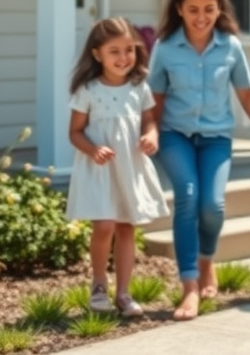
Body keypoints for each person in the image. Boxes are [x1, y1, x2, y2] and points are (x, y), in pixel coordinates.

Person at [148, 0, 250, 321]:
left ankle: (207, 259)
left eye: (209, 8)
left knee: (213, 205)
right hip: (175, 135)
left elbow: (247, 94)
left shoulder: (230, 46)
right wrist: (149, 132)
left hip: (216, 138)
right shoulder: (164, 48)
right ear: (179, 9)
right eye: (193, 9)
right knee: (188, 197)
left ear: (219, 8)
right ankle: (189, 286)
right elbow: (155, 98)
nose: (201, 16)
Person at [66, 17, 169, 317]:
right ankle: (99, 283)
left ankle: (123, 293)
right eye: (115, 51)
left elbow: (149, 119)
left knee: (126, 226)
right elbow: (74, 132)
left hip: (129, 165)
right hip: (100, 167)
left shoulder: (139, 87)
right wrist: (93, 149)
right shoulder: (87, 90)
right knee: (105, 224)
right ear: (97, 54)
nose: (124, 58)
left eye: (129, 50)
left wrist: (151, 135)